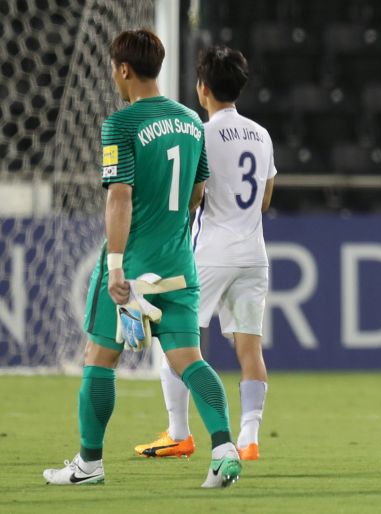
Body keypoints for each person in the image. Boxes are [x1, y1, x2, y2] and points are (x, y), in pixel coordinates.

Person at [42, 29, 241, 488]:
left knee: (98, 359)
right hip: (179, 265)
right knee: (188, 359)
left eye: (114, 68)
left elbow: (119, 198)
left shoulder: (122, 124)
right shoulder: (192, 120)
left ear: (124, 69)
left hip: (132, 270)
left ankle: (89, 464)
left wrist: (115, 265)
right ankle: (224, 447)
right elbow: (197, 191)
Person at [134, 46, 276, 462]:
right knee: (250, 350)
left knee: (176, 339)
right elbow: (265, 199)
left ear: (202, 88)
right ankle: (250, 438)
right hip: (254, 253)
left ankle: (179, 432)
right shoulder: (261, 134)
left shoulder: (200, 131)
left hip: (211, 251)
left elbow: (193, 194)